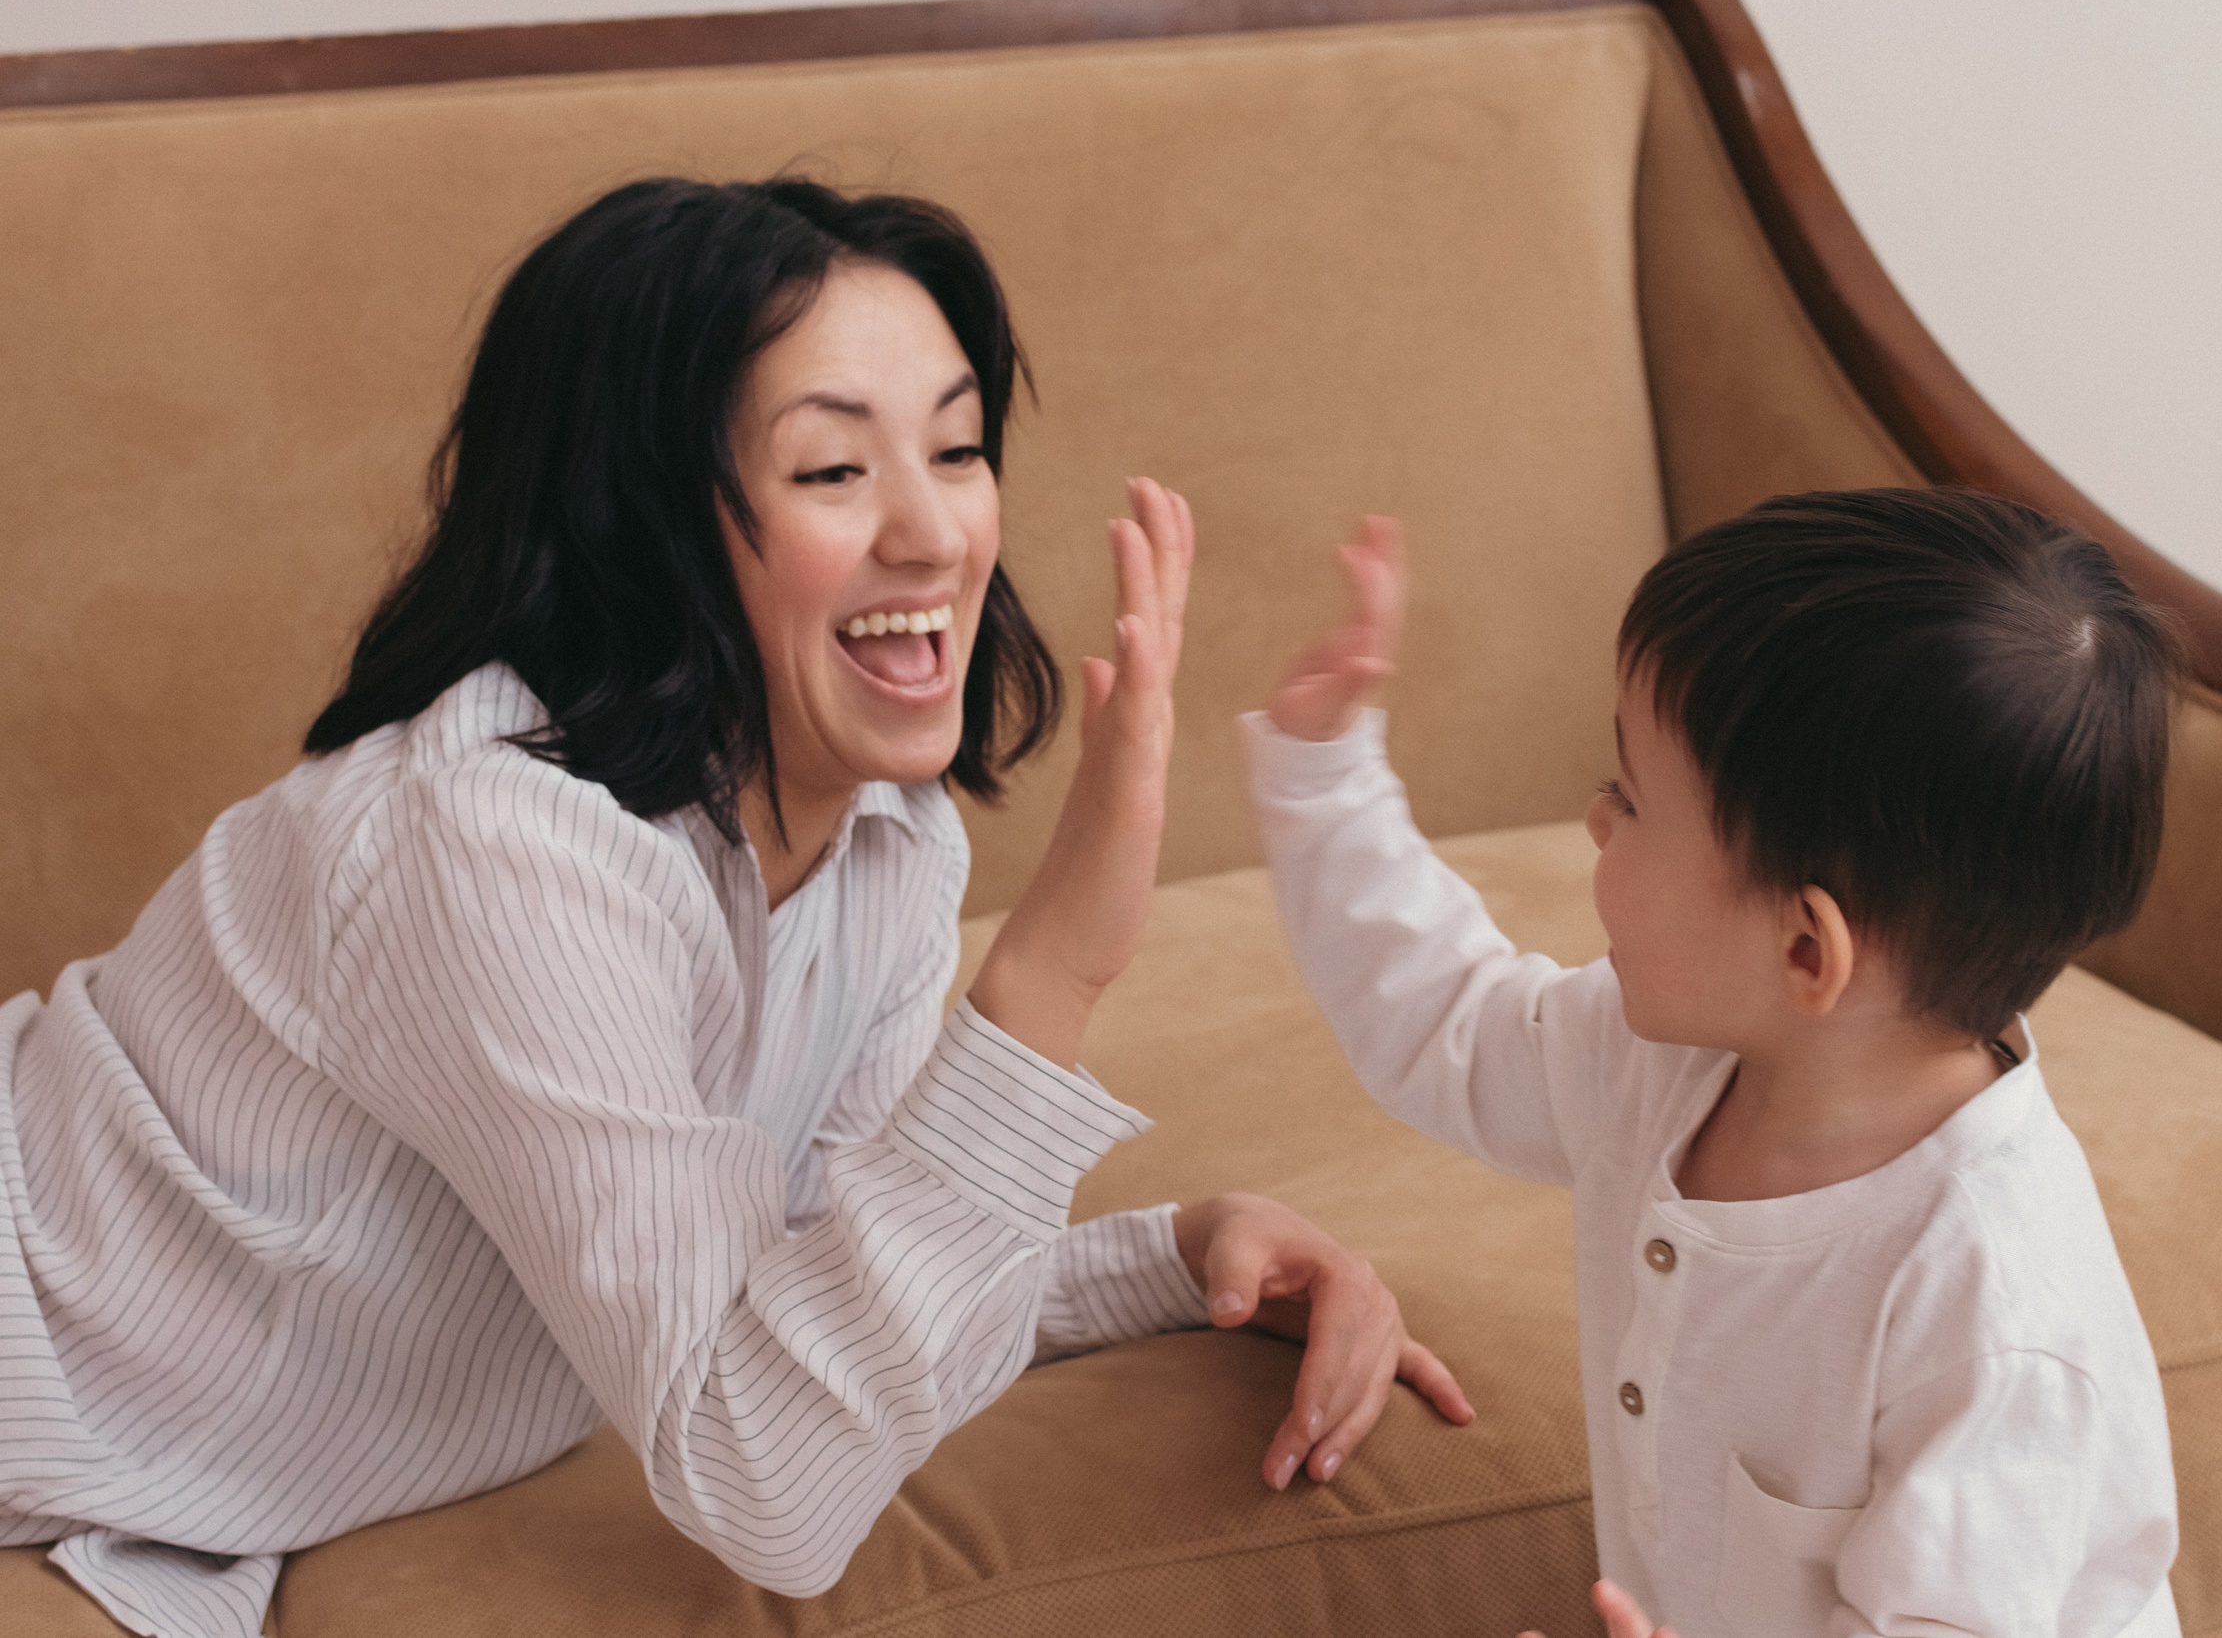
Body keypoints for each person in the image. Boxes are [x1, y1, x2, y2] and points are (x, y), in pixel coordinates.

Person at [0, 177, 1468, 1638]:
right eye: (833, 471)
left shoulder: (886, 833)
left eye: (956, 449)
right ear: (642, 524)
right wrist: (1051, 980)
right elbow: (768, 1478)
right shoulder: (499, 846)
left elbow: (806, 1304)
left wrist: (1173, 1255)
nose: (936, 534)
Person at [1246, 491, 2185, 1638]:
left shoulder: (1993, 1313)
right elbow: (1451, 1024)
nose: (1594, 818)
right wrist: (1324, 775)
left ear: (1803, 949)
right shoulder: (1666, 1060)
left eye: (1632, 800)